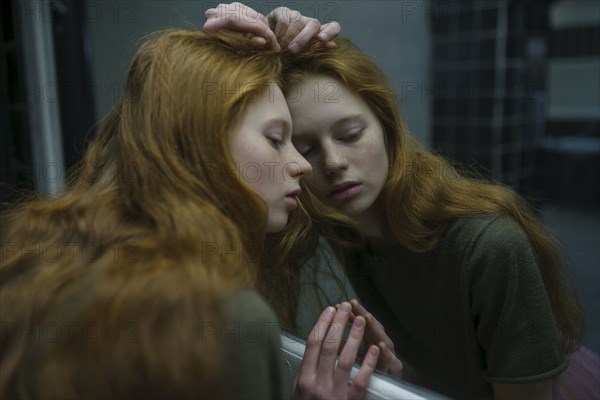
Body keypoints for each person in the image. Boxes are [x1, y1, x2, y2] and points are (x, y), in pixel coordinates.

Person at [205, 4, 591, 399]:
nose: (335, 164)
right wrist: (246, 46)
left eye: (351, 135)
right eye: (305, 148)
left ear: (387, 128)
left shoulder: (490, 244)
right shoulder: (341, 222)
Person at [0, 28, 381, 399]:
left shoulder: (56, 260)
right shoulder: (225, 316)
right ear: (203, 144)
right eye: (275, 139)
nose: (301, 164)